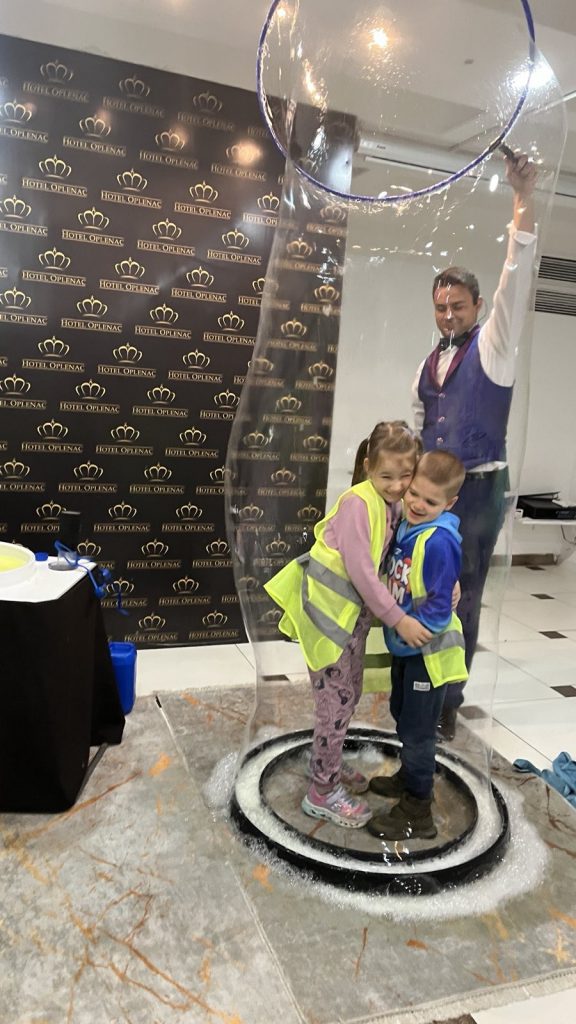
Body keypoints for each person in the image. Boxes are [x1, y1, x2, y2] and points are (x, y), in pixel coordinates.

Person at [412, 151, 538, 740]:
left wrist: (522, 198)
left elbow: (519, 271)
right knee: (423, 584)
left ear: (479, 307)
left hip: (481, 490)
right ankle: (418, 682)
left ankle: (448, 703)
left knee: (463, 595)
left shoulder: (495, 346)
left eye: (457, 306)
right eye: (440, 307)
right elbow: (421, 422)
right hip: (432, 492)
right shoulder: (427, 361)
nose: (447, 316)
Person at [264, 421, 430, 828]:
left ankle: (327, 763)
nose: (396, 485)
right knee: (335, 702)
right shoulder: (359, 504)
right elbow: (362, 573)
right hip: (329, 622)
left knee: (346, 694)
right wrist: (398, 619)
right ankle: (321, 792)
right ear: (368, 466)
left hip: (347, 620)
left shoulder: (388, 504)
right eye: (386, 476)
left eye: (405, 475)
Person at [367, 450, 468, 840]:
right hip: (406, 645)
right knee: (402, 713)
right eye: (414, 494)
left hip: (426, 651)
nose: (418, 504)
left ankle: (418, 809)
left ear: (449, 504)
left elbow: (441, 606)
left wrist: (413, 629)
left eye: (431, 501)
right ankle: (410, 777)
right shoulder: (409, 525)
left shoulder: (438, 541)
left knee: (419, 731)